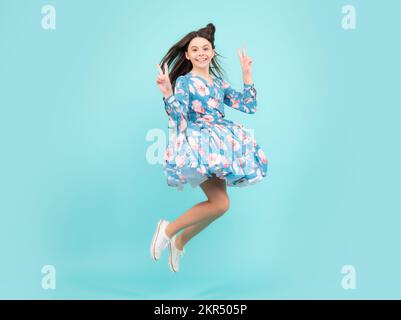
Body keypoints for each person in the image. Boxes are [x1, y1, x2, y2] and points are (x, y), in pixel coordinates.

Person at [151, 23, 268, 272]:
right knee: (219, 204)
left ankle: (179, 241)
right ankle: (168, 229)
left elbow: (248, 106)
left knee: (220, 205)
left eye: (206, 48)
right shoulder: (184, 82)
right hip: (199, 145)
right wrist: (168, 93)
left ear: (212, 52)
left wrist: (246, 73)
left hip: (220, 144)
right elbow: (179, 119)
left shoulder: (218, 83)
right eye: (195, 49)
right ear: (187, 55)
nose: (201, 52)